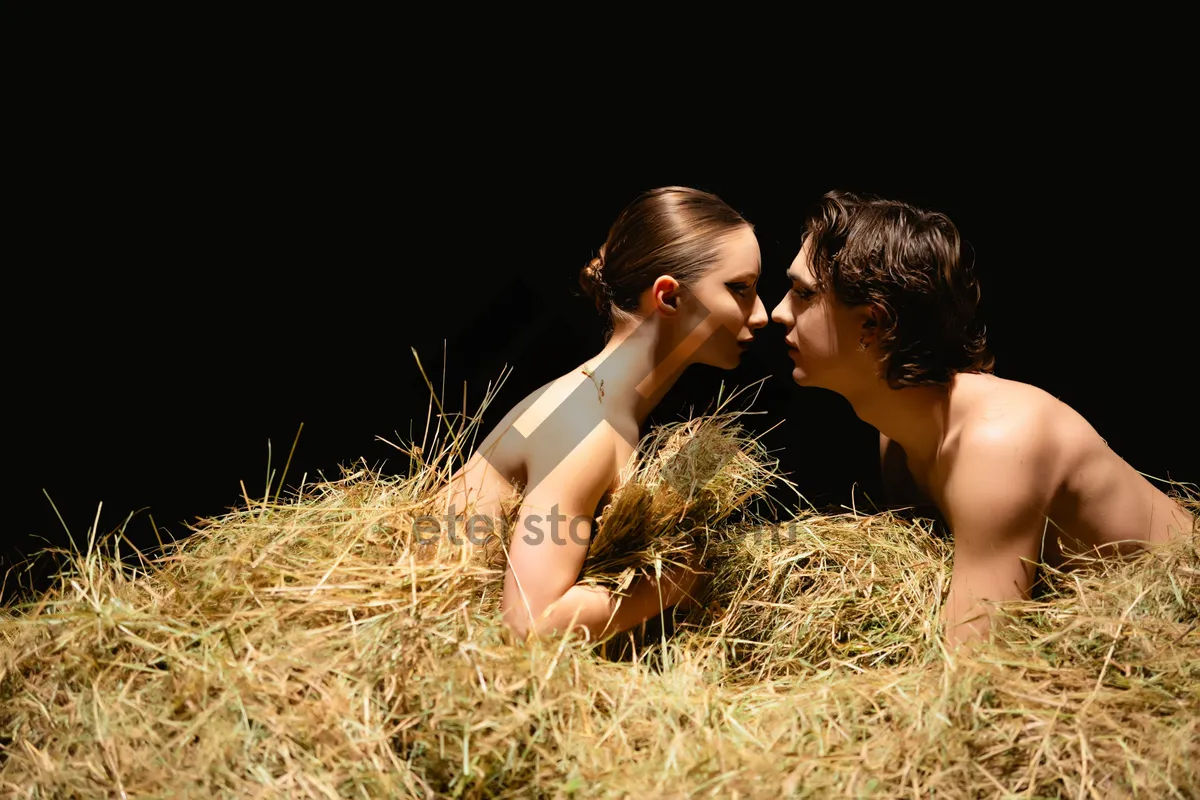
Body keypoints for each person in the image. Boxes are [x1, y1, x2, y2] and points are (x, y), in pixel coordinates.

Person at [770, 190, 1194, 647]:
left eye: (802, 294)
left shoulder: (997, 443)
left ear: (872, 325)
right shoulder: (897, 438)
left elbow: (972, 666)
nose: (777, 312)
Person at [439, 186, 769, 642]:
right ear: (669, 297)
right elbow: (526, 626)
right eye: (741, 290)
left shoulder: (598, 406)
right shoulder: (585, 428)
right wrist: (675, 581)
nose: (762, 315)